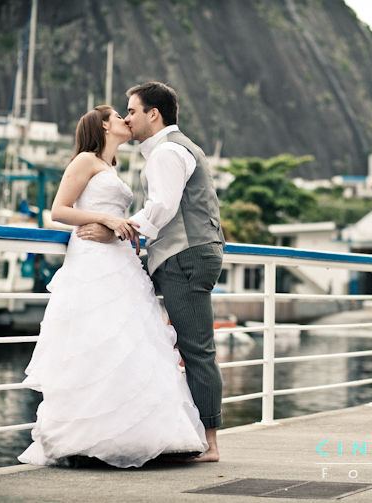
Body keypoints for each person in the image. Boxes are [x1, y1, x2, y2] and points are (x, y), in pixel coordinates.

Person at [18, 105, 207, 468]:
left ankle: (144, 435)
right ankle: (86, 439)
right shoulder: (85, 160)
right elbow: (59, 210)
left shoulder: (110, 166)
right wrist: (104, 217)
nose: (126, 119)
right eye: (120, 115)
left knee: (130, 342)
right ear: (103, 125)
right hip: (91, 257)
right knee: (95, 339)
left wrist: (115, 224)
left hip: (120, 260)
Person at [77, 82, 225, 462]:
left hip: (184, 256)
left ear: (153, 114)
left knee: (195, 350)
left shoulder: (166, 153)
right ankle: (188, 434)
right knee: (177, 345)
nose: (127, 117)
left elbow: (161, 207)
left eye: (132, 110)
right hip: (184, 254)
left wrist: (115, 228)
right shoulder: (177, 148)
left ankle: (209, 443)